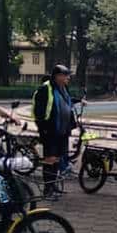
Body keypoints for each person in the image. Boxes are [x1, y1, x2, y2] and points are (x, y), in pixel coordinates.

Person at [32, 65, 84, 196]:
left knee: (57, 159)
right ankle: (47, 188)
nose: (68, 78)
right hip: (50, 131)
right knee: (50, 159)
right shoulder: (45, 89)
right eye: (65, 75)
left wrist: (79, 101)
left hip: (62, 130)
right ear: (57, 76)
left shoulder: (63, 88)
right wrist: (43, 129)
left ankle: (53, 185)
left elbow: (66, 101)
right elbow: (38, 111)